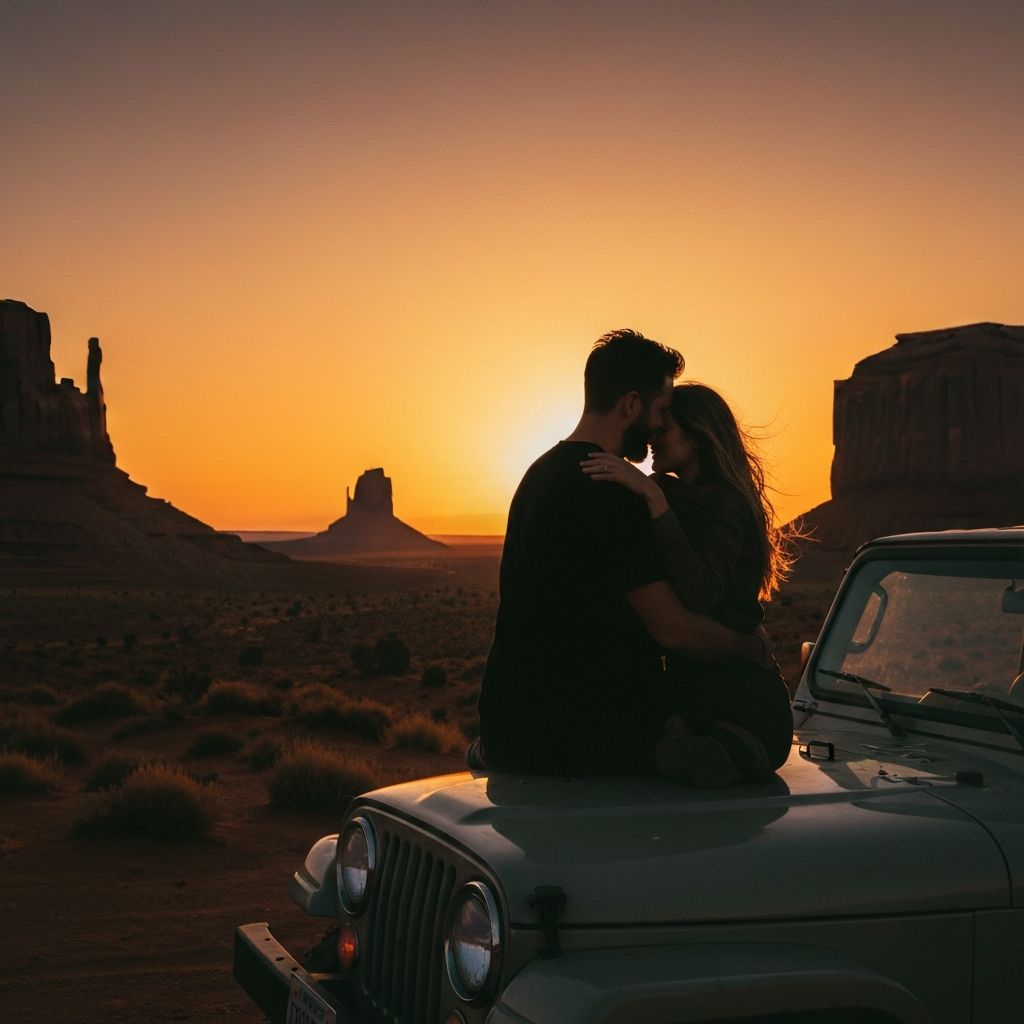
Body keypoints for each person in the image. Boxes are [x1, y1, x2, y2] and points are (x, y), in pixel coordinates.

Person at [474, 330, 772, 776]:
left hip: (511, 725)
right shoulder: (614, 494)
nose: (659, 425)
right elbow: (675, 631)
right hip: (589, 739)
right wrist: (750, 648)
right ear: (631, 405)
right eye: (662, 410)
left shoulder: (539, 473)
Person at [580, 382, 795, 786]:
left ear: (697, 437)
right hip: (697, 694)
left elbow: (701, 592)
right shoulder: (669, 491)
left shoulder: (729, 501)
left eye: (665, 430)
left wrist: (655, 501)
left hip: (746, 708)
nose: (652, 439)